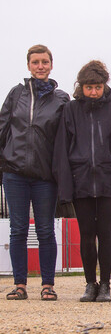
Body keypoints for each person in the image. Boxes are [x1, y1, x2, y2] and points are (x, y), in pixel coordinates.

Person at [53, 61, 111, 302]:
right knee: (87, 235)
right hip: (80, 182)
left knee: (105, 234)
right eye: (89, 87)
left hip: (109, 182)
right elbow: (61, 150)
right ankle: (90, 284)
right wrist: (65, 187)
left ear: (104, 86)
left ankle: (106, 284)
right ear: (81, 87)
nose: (93, 92)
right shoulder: (70, 110)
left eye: (98, 87)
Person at [0, 44, 69, 301]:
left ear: (51, 65)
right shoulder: (16, 93)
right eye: (35, 62)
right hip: (14, 172)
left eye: (44, 62)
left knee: (45, 230)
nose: (40, 66)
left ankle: (47, 285)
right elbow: (2, 128)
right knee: (18, 230)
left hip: (45, 176)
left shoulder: (61, 99)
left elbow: (66, 138)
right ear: (28, 65)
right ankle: (20, 285)